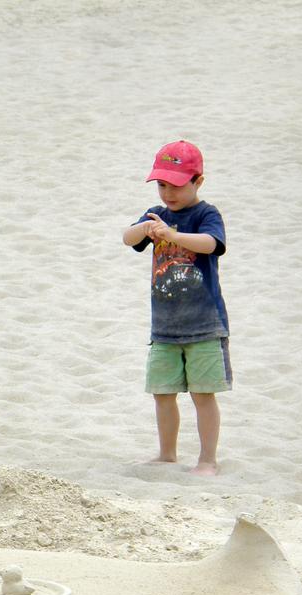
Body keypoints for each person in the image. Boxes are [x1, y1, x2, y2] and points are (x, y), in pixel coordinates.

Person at [122, 140, 231, 476]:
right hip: (165, 327)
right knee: (163, 393)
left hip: (204, 325)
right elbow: (128, 238)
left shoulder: (205, 213)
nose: (168, 193)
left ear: (198, 181)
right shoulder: (157, 214)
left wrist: (172, 234)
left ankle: (207, 460)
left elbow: (212, 244)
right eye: (162, 184)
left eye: (177, 185)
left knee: (202, 394)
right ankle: (167, 454)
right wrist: (145, 228)